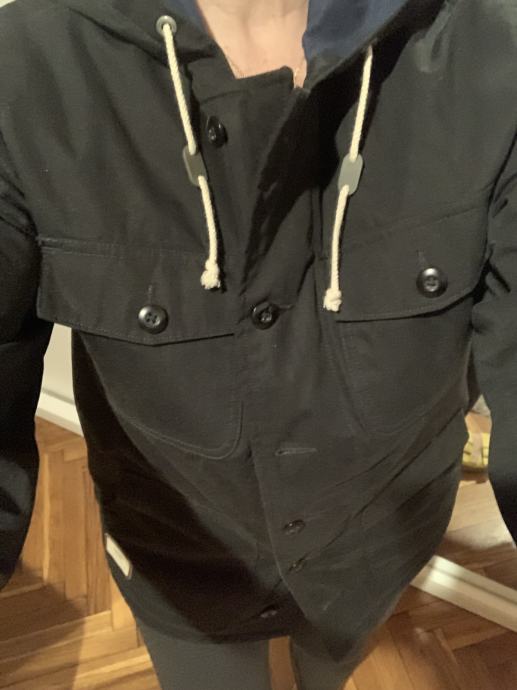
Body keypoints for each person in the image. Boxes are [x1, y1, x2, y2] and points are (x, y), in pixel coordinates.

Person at [0, 0, 515, 689]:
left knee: (330, 669)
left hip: (375, 552)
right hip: (177, 563)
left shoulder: (491, 51)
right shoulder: (26, 68)